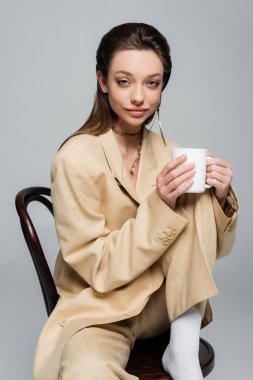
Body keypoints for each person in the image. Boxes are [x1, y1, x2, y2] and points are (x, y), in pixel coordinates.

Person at [34, 22, 239, 380]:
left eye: (152, 83)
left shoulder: (172, 155)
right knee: (85, 373)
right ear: (102, 81)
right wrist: (159, 206)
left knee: (196, 196)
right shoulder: (74, 159)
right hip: (101, 310)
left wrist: (220, 200)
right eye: (124, 81)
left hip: (164, 303)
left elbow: (209, 255)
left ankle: (184, 351)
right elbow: (98, 269)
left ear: (162, 87)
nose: (139, 97)